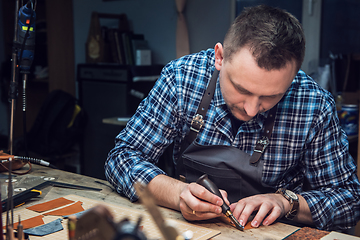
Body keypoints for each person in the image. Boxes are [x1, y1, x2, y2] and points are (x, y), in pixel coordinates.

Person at [105, 5, 360, 231]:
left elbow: (349, 200)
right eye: (242, 90)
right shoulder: (181, 79)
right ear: (220, 57)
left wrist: (286, 203)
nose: (251, 110)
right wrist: (178, 193)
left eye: (271, 97)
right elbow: (122, 158)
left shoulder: (313, 104)